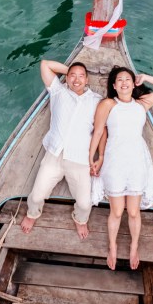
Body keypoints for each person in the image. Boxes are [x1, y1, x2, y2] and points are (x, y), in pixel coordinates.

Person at [89, 66, 153, 270]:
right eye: (120, 80)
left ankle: (134, 246)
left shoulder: (141, 104)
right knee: (117, 211)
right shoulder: (107, 104)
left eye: (128, 79)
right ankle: (113, 246)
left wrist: (145, 77)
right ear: (114, 86)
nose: (124, 82)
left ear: (133, 83)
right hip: (115, 160)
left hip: (137, 160)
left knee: (134, 212)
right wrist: (93, 157)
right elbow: (99, 131)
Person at [20, 60, 102, 240]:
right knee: (35, 197)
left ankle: (80, 220)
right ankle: (32, 214)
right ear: (66, 78)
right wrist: (70, 71)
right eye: (72, 76)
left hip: (79, 159)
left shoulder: (97, 101)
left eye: (81, 76)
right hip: (54, 154)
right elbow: (44, 64)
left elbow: (102, 130)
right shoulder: (58, 91)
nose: (76, 79)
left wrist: (100, 157)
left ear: (87, 80)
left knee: (84, 204)